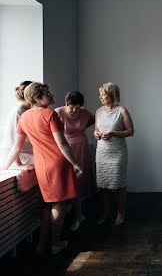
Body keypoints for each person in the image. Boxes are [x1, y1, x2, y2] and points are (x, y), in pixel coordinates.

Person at [0, 82, 82, 255]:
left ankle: (42, 244)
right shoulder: (50, 114)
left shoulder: (24, 117)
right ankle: (55, 243)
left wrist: (4, 166)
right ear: (37, 98)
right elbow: (62, 143)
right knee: (58, 204)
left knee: (47, 204)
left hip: (41, 165)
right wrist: (75, 163)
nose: (51, 95)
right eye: (47, 93)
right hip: (58, 163)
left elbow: (16, 147)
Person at [94, 83, 134, 226]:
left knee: (119, 184)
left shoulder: (122, 111)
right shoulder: (99, 111)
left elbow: (130, 131)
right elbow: (95, 130)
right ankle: (105, 212)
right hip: (102, 152)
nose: (100, 97)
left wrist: (113, 133)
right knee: (103, 184)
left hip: (118, 153)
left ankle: (120, 212)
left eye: (102, 94)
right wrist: (97, 134)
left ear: (111, 95)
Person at [55, 91, 95, 231]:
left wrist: (83, 129)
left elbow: (93, 119)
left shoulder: (84, 112)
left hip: (81, 146)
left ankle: (78, 215)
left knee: (79, 180)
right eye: (72, 107)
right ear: (66, 104)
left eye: (77, 107)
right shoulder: (58, 112)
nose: (75, 110)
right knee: (66, 180)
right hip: (64, 148)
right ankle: (67, 214)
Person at [0, 81, 34, 166]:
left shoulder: (31, 111)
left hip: (29, 152)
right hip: (19, 156)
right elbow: (11, 141)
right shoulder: (17, 112)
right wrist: (18, 164)